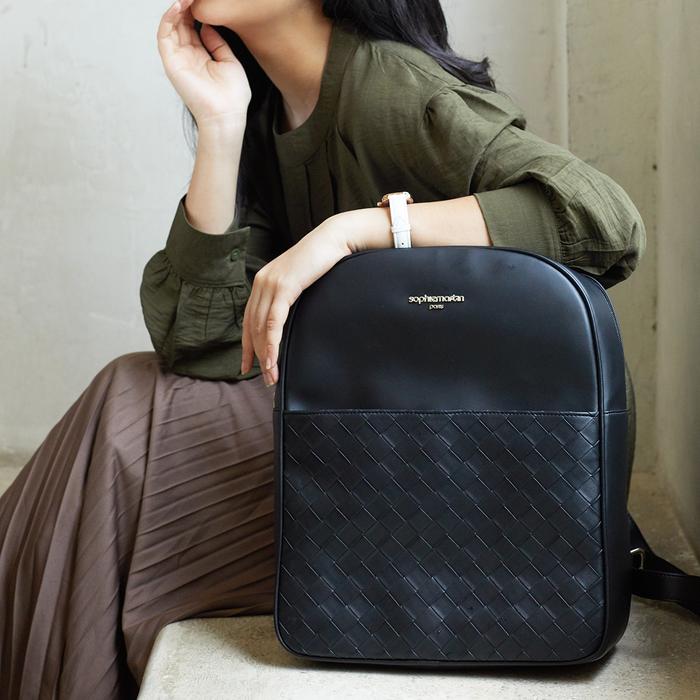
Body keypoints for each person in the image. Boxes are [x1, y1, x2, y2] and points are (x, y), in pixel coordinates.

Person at [0, 0, 645, 697]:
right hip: (364, 434)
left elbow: (604, 219)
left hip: (462, 463)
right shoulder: (271, 110)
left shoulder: (389, 86)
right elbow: (204, 346)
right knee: (125, 403)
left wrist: (359, 230)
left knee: (122, 418)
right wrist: (221, 127)